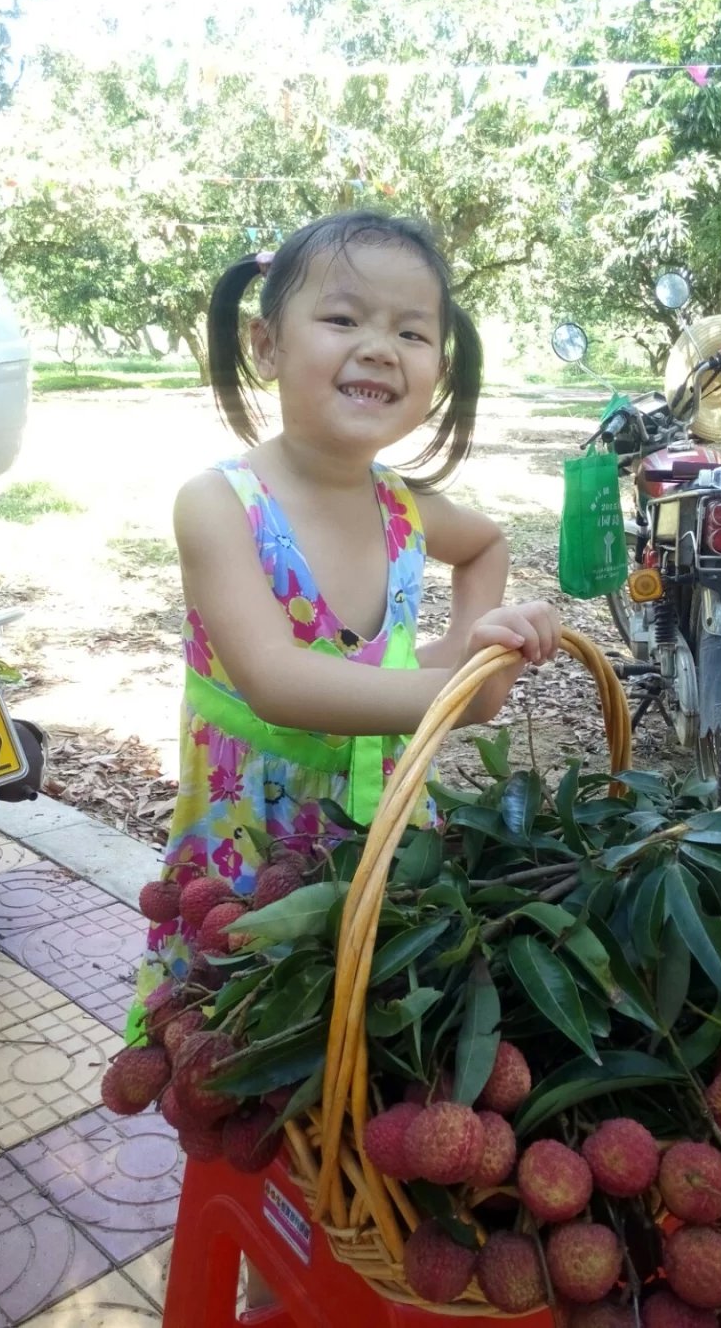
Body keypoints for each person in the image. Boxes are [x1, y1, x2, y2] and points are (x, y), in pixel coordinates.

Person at [131, 209, 559, 1308]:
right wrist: (453, 696)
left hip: (378, 855)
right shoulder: (220, 504)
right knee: (248, 1080)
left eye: (412, 332)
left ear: (438, 368)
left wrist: (473, 646)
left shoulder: (405, 510)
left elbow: (487, 546)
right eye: (343, 318)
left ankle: (333, 1262)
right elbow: (280, 679)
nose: (380, 348)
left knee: (361, 1079)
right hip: (250, 863)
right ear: (267, 343)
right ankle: (258, 1277)